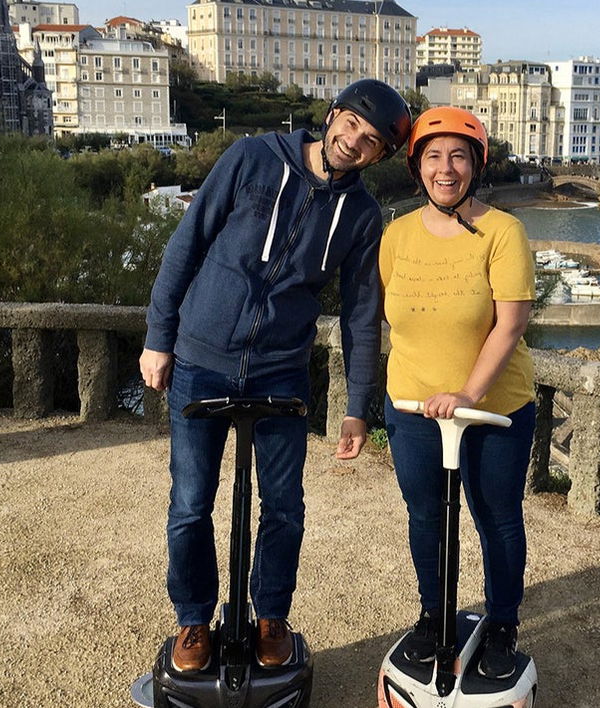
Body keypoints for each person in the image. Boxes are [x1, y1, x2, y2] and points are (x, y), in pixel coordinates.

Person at [139, 79, 411, 673]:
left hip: (283, 369)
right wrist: (159, 337)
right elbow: (187, 243)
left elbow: (364, 314)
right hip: (201, 358)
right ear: (332, 115)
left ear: (380, 156)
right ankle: (191, 620)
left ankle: (270, 616)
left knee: (284, 504)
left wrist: (357, 406)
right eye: (350, 125)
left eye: (370, 142)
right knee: (190, 503)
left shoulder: (362, 215)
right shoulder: (254, 157)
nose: (354, 142)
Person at [378, 106, 536, 680]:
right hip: (415, 408)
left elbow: (511, 324)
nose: (446, 168)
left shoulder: (503, 232)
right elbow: (387, 317)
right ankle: (433, 614)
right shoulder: (396, 234)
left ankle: (502, 622)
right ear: (418, 166)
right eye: (434, 156)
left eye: (459, 156)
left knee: (496, 518)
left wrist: (468, 391)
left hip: (493, 407)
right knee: (426, 517)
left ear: (477, 164)